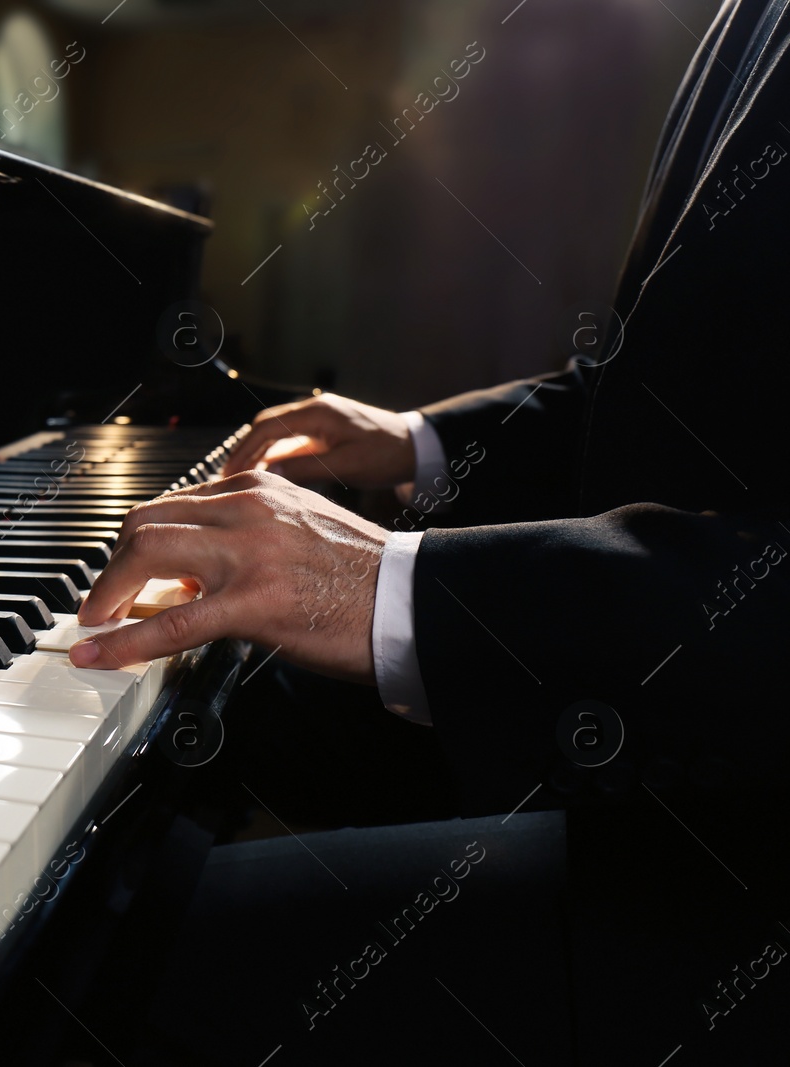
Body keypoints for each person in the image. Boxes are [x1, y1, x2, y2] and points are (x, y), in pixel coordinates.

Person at [69, 2, 790, 1061]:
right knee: (234, 716)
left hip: (739, 874)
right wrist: (417, 440)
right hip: (669, 703)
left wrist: (399, 584)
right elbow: (679, 386)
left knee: (109, 968)